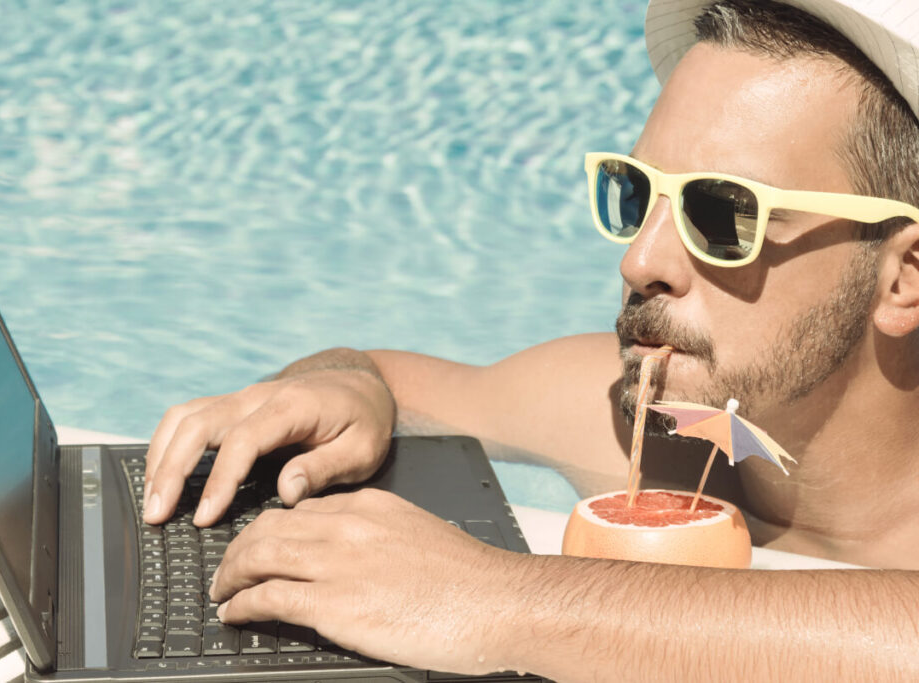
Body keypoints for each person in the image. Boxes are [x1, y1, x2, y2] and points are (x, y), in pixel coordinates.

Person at [142, 0, 919, 679]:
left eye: (724, 216)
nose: (640, 260)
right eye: (638, 192)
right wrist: (347, 385)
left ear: (902, 276)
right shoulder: (645, 425)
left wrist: (495, 599)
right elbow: (380, 375)